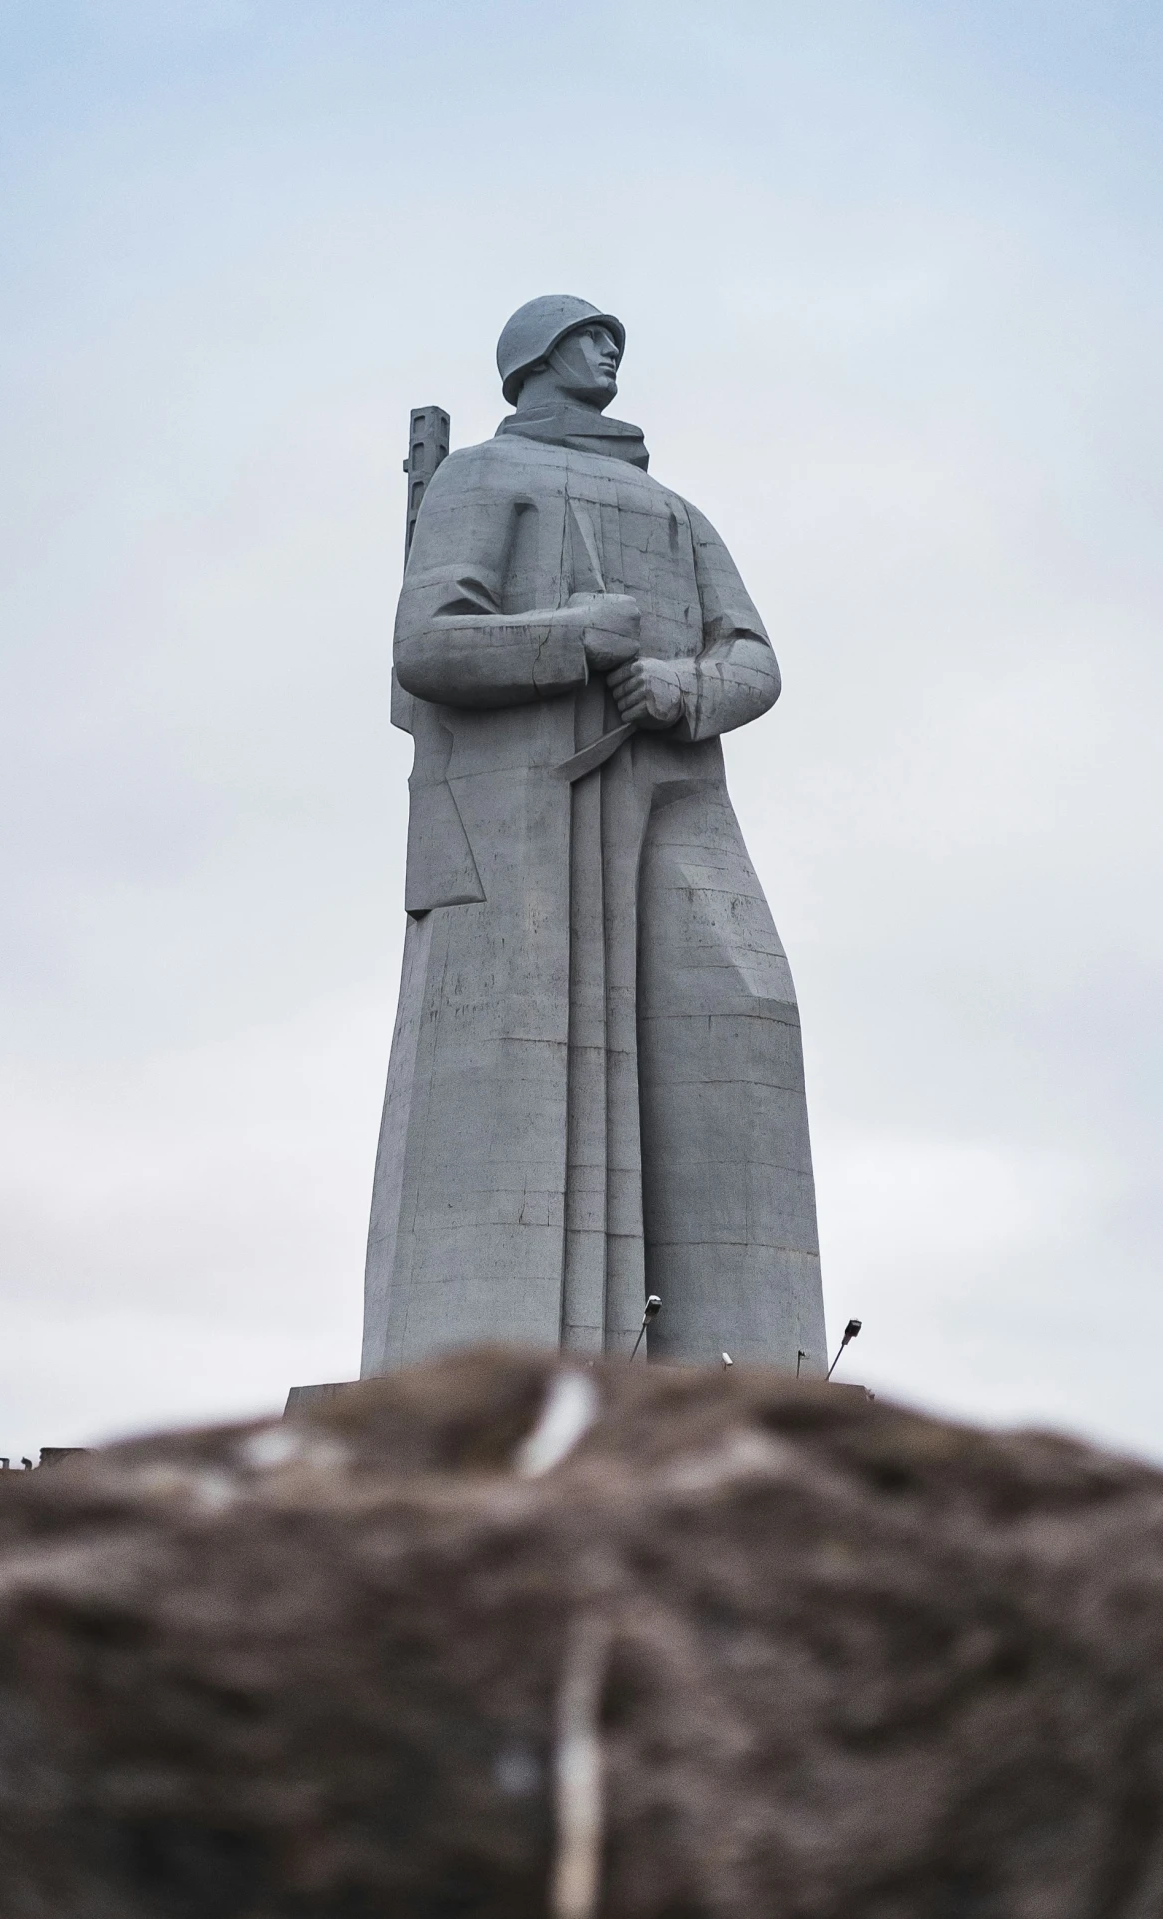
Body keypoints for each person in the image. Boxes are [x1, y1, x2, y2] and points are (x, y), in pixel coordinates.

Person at [363, 296, 826, 1374]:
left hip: (672, 794)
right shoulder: (483, 477)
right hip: (519, 813)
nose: (607, 346)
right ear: (530, 359)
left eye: (611, 335)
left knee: (743, 1005)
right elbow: (425, 643)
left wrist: (680, 681)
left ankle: (754, 1380)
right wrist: (576, 639)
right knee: (513, 1073)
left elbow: (754, 659)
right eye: (583, 334)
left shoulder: (675, 513)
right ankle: (486, 1372)